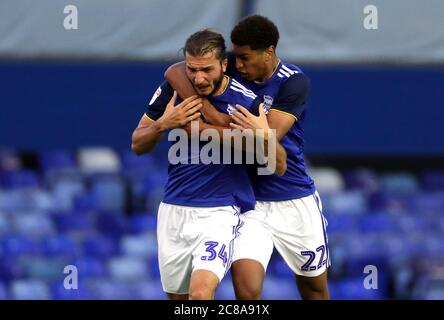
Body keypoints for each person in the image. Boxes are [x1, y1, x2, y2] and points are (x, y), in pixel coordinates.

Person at [165, 15, 330, 300]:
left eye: (245, 58)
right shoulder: (232, 64)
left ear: (269, 52)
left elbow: (269, 136)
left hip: (293, 197)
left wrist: (207, 122)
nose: (239, 65)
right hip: (249, 202)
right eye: (236, 58)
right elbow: (176, 71)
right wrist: (206, 107)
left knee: (313, 287)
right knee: (247, 290)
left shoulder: (293, 82)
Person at [131, 29, 279, 300]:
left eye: (207, 70)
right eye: (192, 69)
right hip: (174, 209)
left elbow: (272, 158)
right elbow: (138, 144)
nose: (199, 78)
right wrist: (165, 124)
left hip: (219, 211)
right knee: (180, 300)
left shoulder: (245, 101)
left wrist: (206, 128)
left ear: (224, 65)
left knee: (200, 295)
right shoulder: (172, 91)